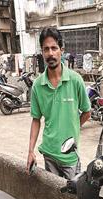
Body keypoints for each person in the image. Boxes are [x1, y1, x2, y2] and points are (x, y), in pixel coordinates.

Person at [27, 27, 91, 179]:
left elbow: (87, 112)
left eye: (54, 48)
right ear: (42, 52)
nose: (50, 53)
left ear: (61, 50)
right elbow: (36, 120)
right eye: (46, 49)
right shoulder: (37, 85)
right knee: (54, 197)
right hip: (49, 154)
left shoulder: (75, 80)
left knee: (72, 197)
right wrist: (30, 151)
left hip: (69, 156)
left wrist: (73, 129)